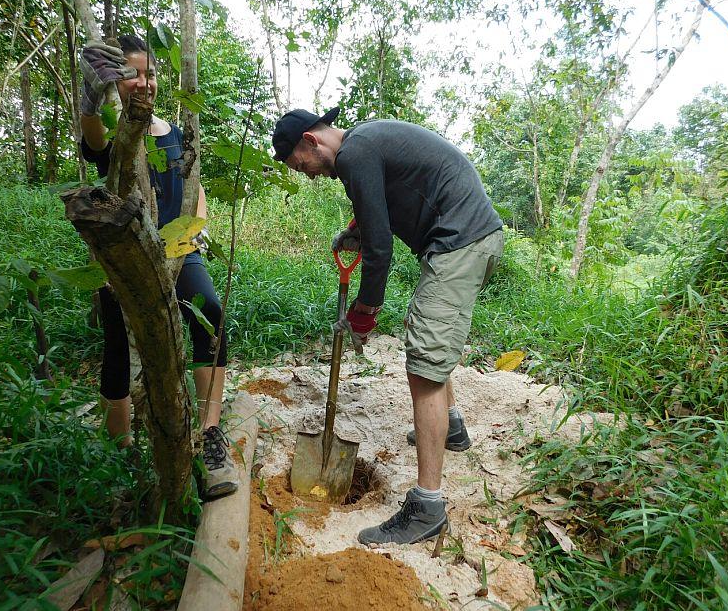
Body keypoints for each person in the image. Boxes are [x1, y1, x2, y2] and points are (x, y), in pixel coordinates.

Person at [272, 108, 504, 545]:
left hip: (461, 241)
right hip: (468, 236)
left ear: (310, 140)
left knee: (423, 363)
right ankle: (450, 426)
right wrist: (357, 226)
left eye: (298, 165)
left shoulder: (354, 155)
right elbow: (381, 202)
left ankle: (428, 506)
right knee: (431, 332)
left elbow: (381, 251)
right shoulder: (363, 144)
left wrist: (365, 312)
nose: (305, 175)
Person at [79, 35, 237, 501]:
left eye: (148, 73)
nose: (141, 82)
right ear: (115, 82)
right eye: (130, 74)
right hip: (123, 258)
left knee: (211, 315)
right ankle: (123, 452)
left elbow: (194, 186)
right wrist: (89, 98)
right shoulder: (113, 130)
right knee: (118, 346)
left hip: (178, 249)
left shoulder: (174, 132)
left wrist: (194, 233)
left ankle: (209, 432)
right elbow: (93, 138)